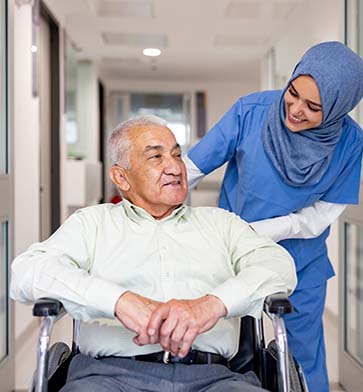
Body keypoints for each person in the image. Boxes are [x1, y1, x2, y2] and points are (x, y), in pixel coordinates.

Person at [11, 115, 297, 392]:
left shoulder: (221, 224)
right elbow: (26, 273)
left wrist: (211, 306)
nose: (174, 167)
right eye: (156, 157)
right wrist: (119, 302)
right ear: (121, 177)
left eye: (176, 155)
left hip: (215, 378)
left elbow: (278, 266)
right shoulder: (92, 224)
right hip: (106, 377)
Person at [185, 41, 363, 391]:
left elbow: (320, 216)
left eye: (313, 107)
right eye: (293, 92)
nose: (295, 109)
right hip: (232, 255)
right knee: (222, 347)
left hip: (301, 260)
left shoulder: (350, 142)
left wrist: (261, 230)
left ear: (337, 108)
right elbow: (191, 168)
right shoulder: (251, 111)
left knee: (301, 358)